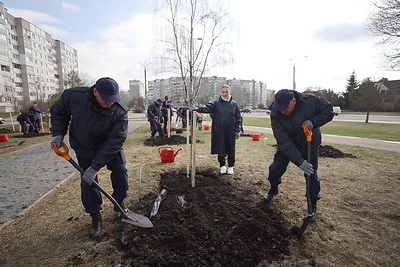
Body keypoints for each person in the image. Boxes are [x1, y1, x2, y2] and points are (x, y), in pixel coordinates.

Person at [50, 77, 129, 239]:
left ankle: (119, 201)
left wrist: (96, 166)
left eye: (113, 99)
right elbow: (59, 111)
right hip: (84, 145)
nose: (110, 103)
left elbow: (115, 141)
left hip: (109, 146)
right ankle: (95, 215)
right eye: (106, 100)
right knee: (88, 180)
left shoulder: (120, 111)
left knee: (120, 169)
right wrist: (58, 133)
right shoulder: (74, 96)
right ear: (95, 91)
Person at [263, 89, 334, 217]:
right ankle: (274, 188)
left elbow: (329, 111)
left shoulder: (311, 101)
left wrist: (313, 122)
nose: (282, 111)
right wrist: (299, 161)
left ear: (294, 101)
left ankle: (312, 204)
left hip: (310, 144)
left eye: (285, 108)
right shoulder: (276, 113)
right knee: (274, 170)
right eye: (280, 108)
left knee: (311, 176)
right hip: (288, 146)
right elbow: (283, 141)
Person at [197, 85, 242, 175]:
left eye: (227, 92)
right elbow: (208, 108)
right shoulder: (216, 103)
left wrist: (238, 130)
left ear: (230, 92)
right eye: (223, 92)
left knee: (231, 148)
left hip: (231, 130)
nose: (225, 94)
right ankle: (222, 166)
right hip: (219, 130)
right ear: (221, 93)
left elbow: (238, 118)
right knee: (221, 147)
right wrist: (198, 108)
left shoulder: (234, 104)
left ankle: (231, 166)